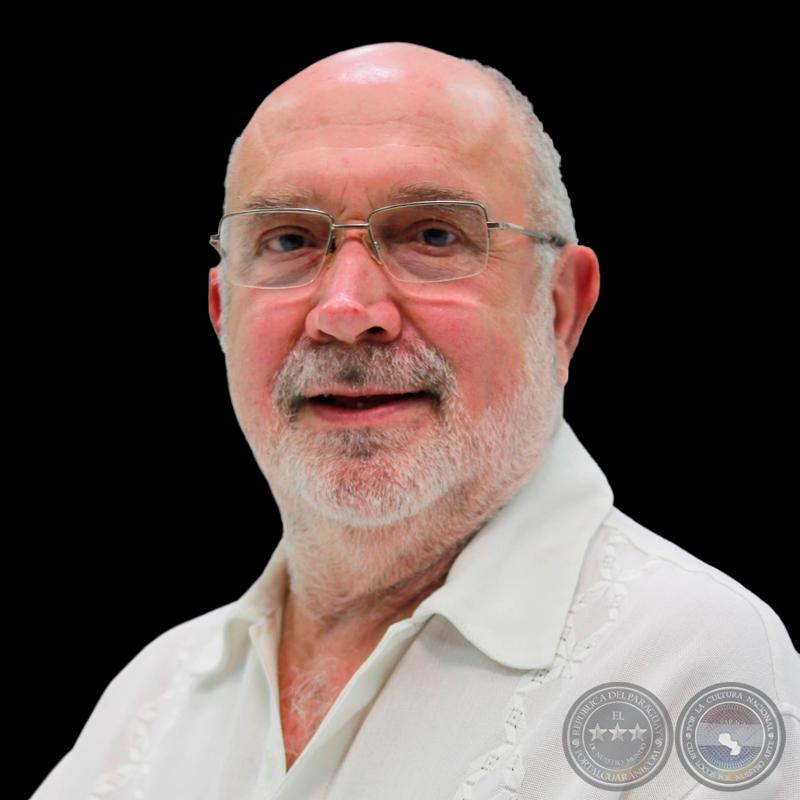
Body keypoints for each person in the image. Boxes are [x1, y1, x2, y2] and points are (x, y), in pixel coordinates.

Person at [31, 42, 798, 800]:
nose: (345, 311)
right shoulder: (153, 700)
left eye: (433, 235)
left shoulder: (692, 666)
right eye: (289, 241)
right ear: (221, 313)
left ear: (560, 308)